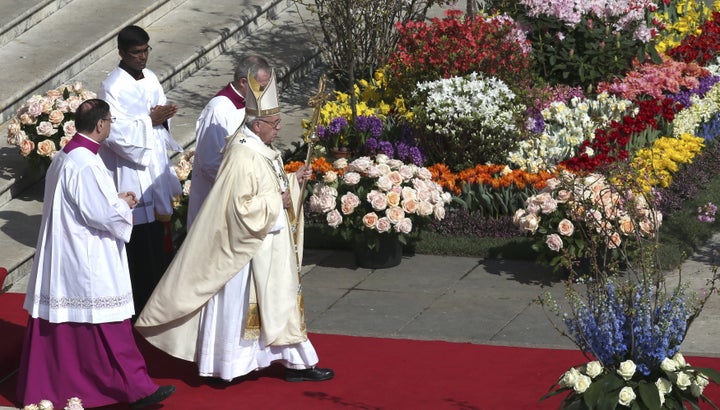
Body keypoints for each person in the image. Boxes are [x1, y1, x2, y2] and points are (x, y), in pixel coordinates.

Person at [135, 69, 334, 384]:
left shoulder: (259, 147)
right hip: (245, 251)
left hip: (266, 243)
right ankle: (226, 367)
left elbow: (271, 189)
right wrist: (275, 201)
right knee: (241, 308)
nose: (279, 129)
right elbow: (239, 207)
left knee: (278, 300)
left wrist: (293, 183)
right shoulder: (242, 153)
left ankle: (297, 363)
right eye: (275, 124)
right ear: (257, 124)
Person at [17, 99, 175, 409]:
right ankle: (137, 389)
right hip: (87, 256)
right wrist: (122, 205)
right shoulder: (85, 163)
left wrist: (112, 199)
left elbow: (83, 203)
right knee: (111, 324)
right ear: (101, 125)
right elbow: (100, 215)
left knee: (69, 329)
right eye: (110, 122)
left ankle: (67, 387)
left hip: (68, 252)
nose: (111, 126)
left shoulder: (66, 156)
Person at [98, 25, 183, 316]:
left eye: (146, 50)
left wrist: (162, 118)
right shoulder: (112, 86)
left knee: (159, 237)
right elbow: (113, 133)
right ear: (122, 53)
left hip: (154, 164)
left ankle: (160, 303)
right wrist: (150, 120)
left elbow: (158, 117)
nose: (142, 57)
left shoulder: (152, 77)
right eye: (136, 53)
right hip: (131, 169)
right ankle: (140, 306)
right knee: (140, 243)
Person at [187, 54, 272, 230]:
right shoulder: (218, 110)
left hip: (244, 196)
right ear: (243, 82)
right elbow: (210, 163)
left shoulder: (251, 103)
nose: (264, 93)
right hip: (221, 198)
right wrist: (245, 186)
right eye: (261, 87)